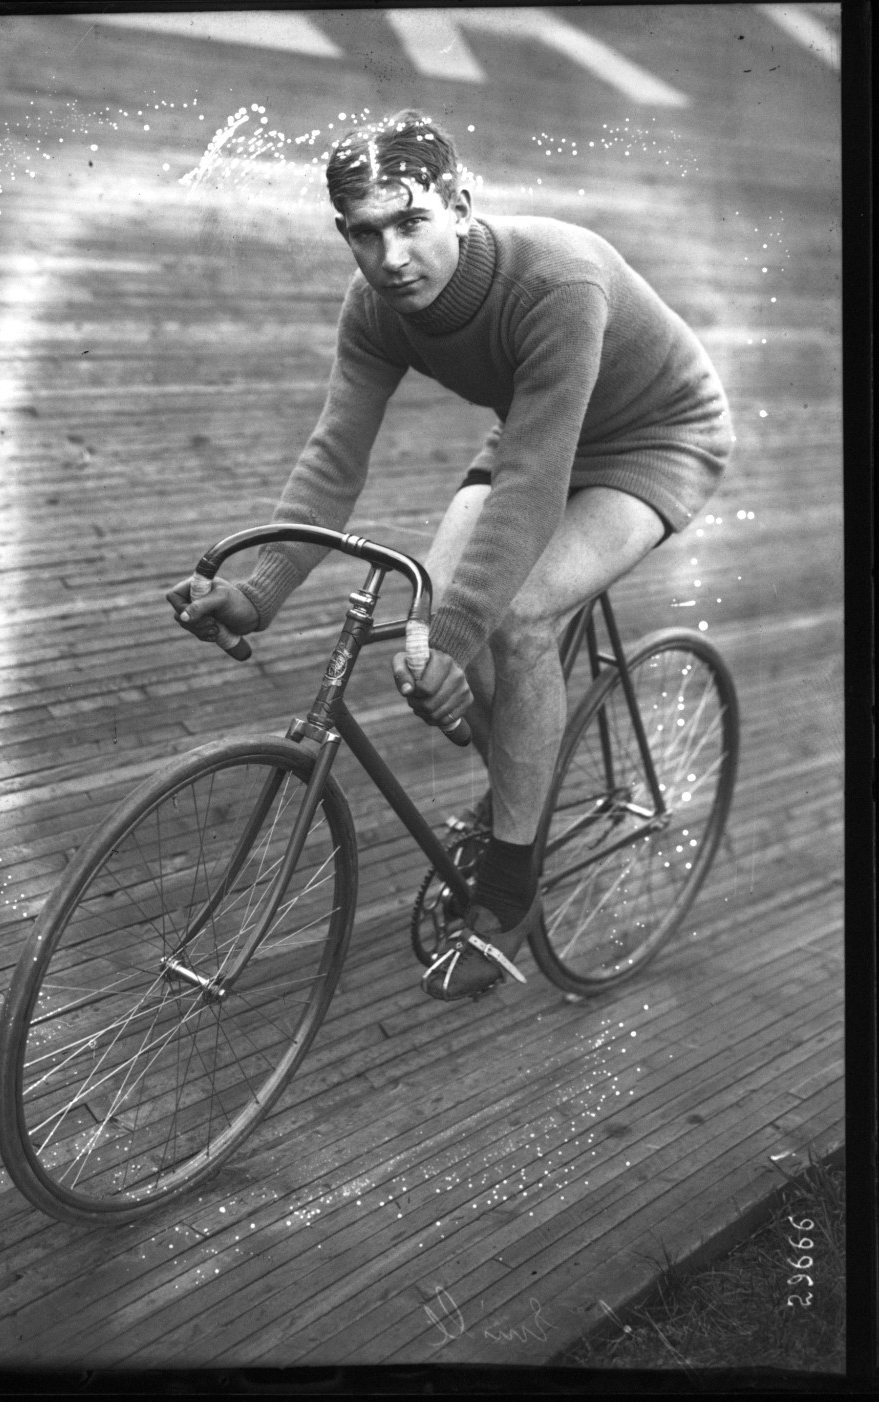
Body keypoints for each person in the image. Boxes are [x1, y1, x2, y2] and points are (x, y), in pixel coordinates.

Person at [170, 109, 735, 1000]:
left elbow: (532, 489)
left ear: (462, 204)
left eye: (411, 223)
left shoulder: (558, 279)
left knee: (510, 619)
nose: (391, 257)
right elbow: (335, 455)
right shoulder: (376, 308)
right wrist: (258, 591)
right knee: (431, 629)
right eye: (366, 233)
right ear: (343, 234)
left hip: (655, 438)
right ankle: (522, 766)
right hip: (542, 429)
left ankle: (511, 887)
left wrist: (467, 634)